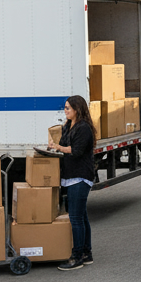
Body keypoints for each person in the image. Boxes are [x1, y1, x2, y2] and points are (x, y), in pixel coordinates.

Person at [46, 95, 97, 270]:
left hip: (80, 177)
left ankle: (77, 258)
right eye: (65, 108)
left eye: (68, 108)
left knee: (75, 218)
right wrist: (53, 147)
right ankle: (86, 253)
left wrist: (58, 148)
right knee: (81, 216)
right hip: (70, 176)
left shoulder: (83, 128)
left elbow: (75, 151)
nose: (65, 111)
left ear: (77, 109)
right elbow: (63, 145)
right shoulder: (68, 126)